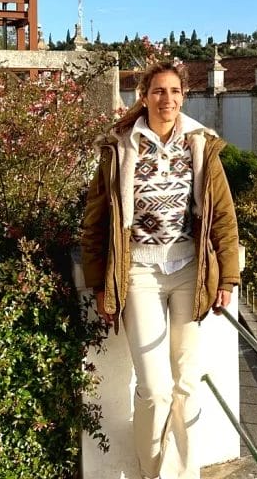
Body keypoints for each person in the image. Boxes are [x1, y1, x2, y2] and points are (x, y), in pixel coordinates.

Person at [82, 61, 239, 479]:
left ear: (183, 96)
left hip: (190, 271)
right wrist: (100, 283)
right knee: (155, 390)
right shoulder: (120, 147)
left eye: (173, 91)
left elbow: (222, 215)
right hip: (139, 276)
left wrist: (228, 275)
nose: (166, 99)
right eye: (157, 91)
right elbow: (96, 220)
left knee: (186, 383)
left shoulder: (200, 145)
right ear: (144, 96)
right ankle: (155, 474)